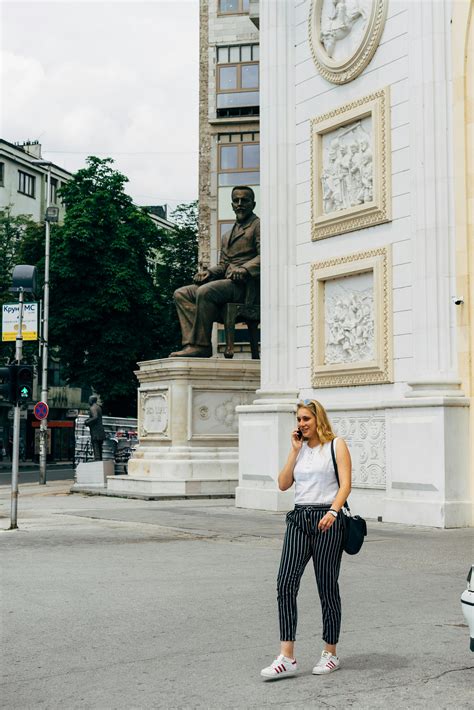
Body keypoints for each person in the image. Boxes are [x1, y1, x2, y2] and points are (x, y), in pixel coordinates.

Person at [261, 399, 352, 680]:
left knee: (326, 587)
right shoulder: (299, 449)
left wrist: (334, 512)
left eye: (306, 419)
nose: (301, 424)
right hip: (299, 519)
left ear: (318, 419)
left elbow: (346, 484)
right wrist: (294, 451)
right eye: (299, 419)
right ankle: (287, 657)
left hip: (328, 520)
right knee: (285, 582)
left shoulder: (336, 445)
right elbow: (283, 483)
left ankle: (330, 652)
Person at [170, 186, 260, 357]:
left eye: (244, 200)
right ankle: (191, 344)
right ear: (232, 205)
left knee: (205, 291)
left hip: (246, 288)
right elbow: (224, 264)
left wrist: (245, 269)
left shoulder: (258, 226)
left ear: (253, 204)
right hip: (227, 285)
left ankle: (201, 346)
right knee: (182, 293)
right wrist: (209, 273)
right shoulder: (227, 235)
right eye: (236, 200)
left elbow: (266, 256)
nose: (240, 204)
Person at [84, 395, 106, 461]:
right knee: (99, 447)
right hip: (100, 430)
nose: (88, 401)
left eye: (89, 400)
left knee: (95, 446)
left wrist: (87, 422)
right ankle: (99, 461)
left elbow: (95, 417)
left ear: (92, 400)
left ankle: (97, 460)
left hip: (95, 431)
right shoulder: (99, 407)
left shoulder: (92, 408)